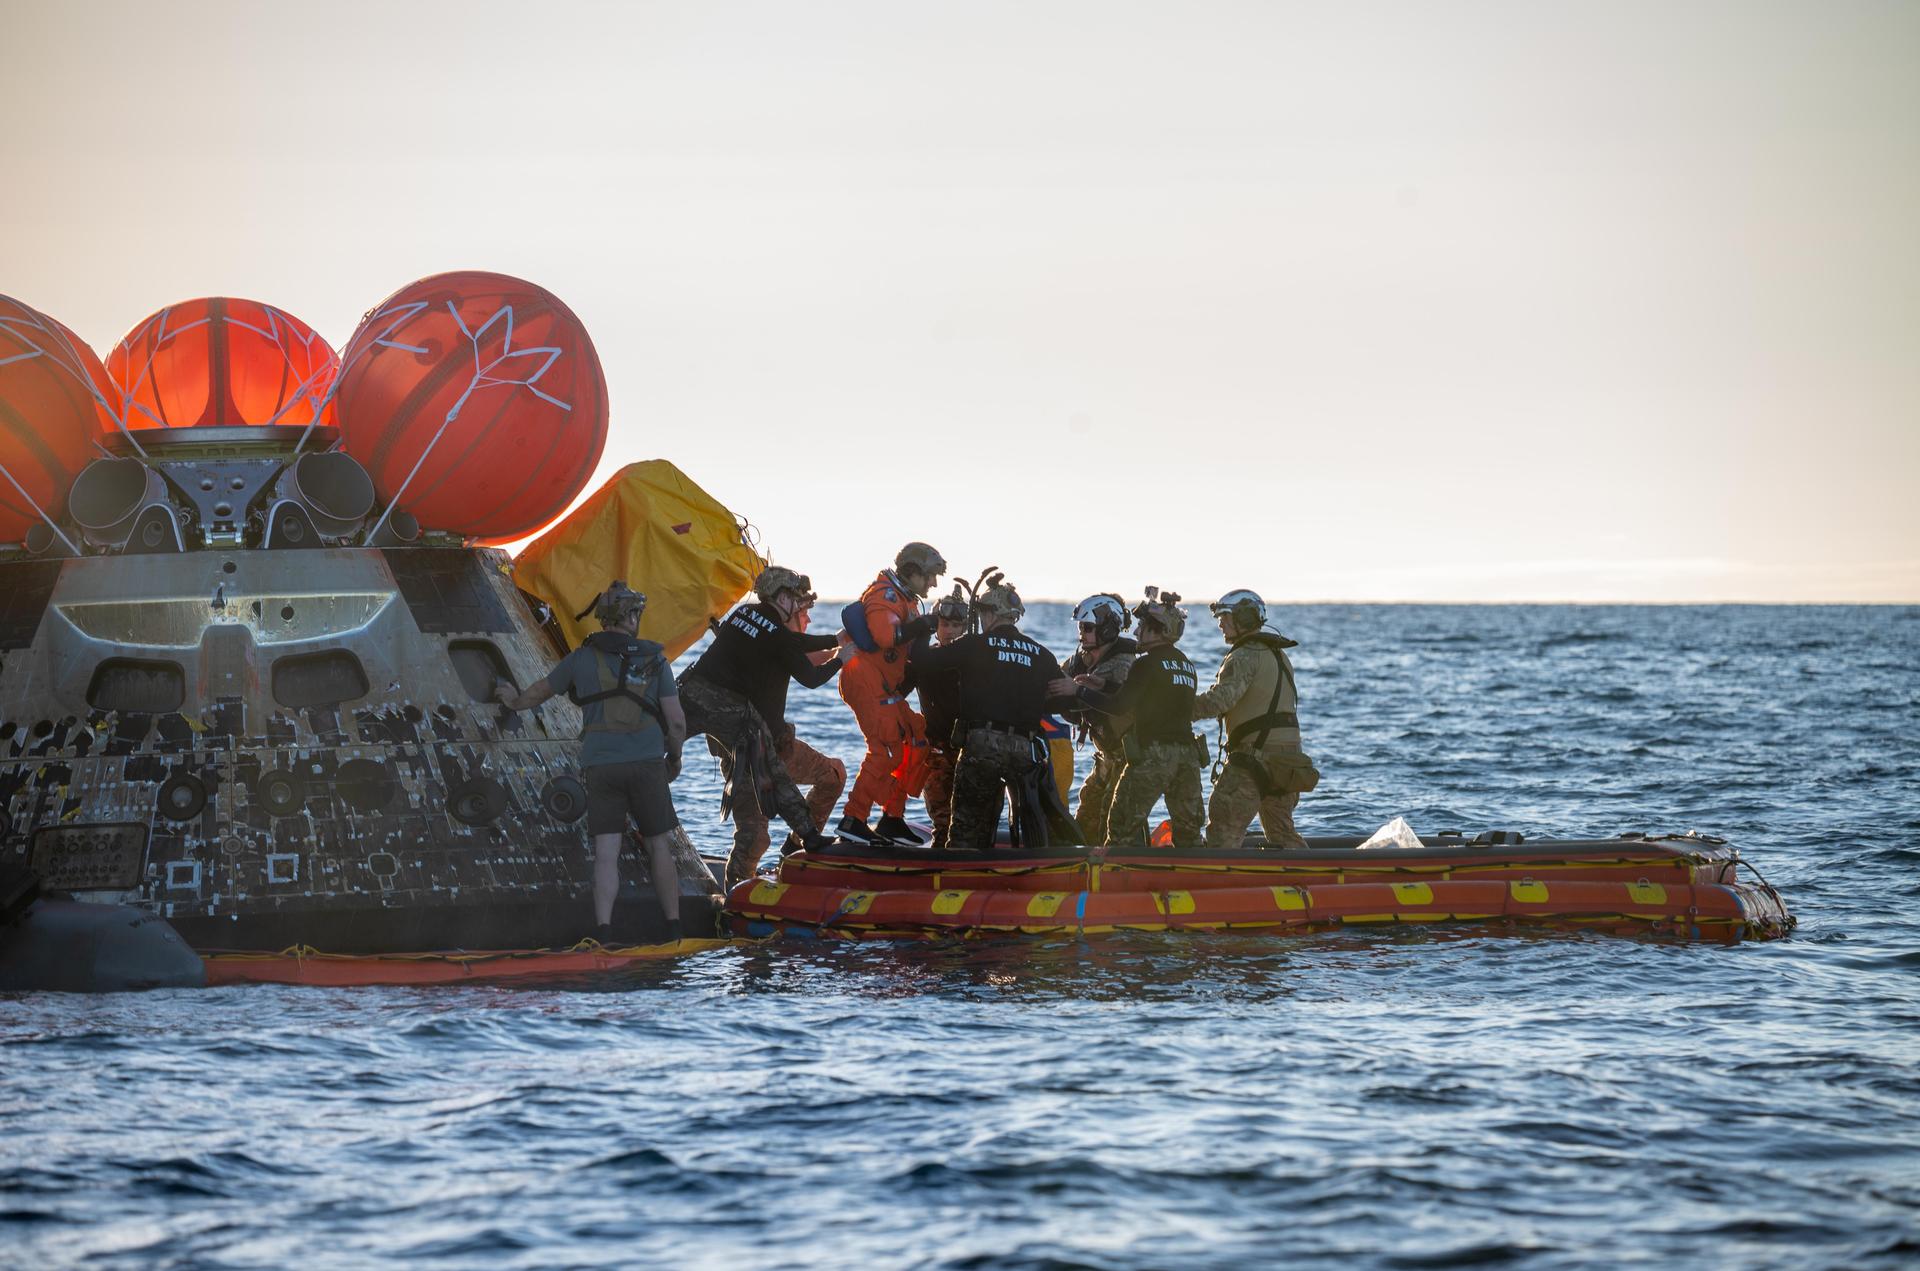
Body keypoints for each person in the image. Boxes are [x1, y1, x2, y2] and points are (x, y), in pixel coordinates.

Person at [497, 581, 687, 941]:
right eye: (636, 614)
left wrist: (513, 701)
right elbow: (676, 722)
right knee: (658, 844)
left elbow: (540, 691)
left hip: (600, 766)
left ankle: (603, 931)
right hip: (647, 764)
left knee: (606, 850)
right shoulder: (655, 660)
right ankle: (675, 928)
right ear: (629, 617)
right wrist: (673, 757)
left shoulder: (580, 659)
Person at [679, 565, 844, 885]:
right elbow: (807, 670)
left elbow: (800, 650)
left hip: (693, 694)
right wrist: (842, 653)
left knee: (757, 831)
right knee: (766, 796)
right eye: (799, 604)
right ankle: (806, 838)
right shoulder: (777, 635)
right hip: (742, 733)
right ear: (782, 597)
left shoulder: (746, 617)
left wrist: (836, 644)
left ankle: (786, 856)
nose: (804, 612)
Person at [910, 582, 1074, 851]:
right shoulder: (1042, 654)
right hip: (1025, 754)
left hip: (981, 749)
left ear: (991, 614)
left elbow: (924, 661)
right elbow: (1064, 700)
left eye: (983, 613)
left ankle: (959, 882)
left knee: (967, 830)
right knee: (1021, 822)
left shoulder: (975, 644)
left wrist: (922, 630)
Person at [1051, 587, 1204, 849]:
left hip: (1152, 755)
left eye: (1142, 627)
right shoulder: (1185, 664)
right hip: (1187, 754)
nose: (1134, 632)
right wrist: (1102, 685)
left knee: (1121, 827)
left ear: (1158, 631)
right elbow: (1153, 700)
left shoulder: (1144, 664)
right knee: (1188, 831)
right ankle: (1194, 879)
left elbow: (1120, 706)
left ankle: (1121, 880)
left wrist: (1080, 690)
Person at [1193, 589, 1320, 849]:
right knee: (1283, 834)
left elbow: (1220, 701)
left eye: (1225, 617)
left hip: (1252, 761)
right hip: (1288, 762)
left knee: (1222, 835)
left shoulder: (1244, 655)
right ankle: (1310, 882)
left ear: (1246, 619)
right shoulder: (1280, 655)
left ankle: (1218, 885)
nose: (1220, 623)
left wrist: (1176, 707)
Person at [837, 542, 945, 845]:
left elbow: (910, 649)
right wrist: (922, 626)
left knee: (916, 737)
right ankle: (853, 819)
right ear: (912, 572)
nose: (933, 583)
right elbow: (887, 637)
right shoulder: (884, 595)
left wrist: (925, 630)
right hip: (866, 681)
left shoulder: (906, 600)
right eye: (930, 577)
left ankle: (892, 819)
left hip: (885, 686)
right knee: (885, 750)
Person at [1058, 592, 1138, 845]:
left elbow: (1115, 702)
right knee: (1087, 810)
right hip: (1106, 756)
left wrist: (1079, 690)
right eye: (1081, 627)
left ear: (1107, 628)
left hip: (1129, 758)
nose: (1082, 633)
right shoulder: (1081, 660)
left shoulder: (1123, 663)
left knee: (1113, 817)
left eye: (1088, 627)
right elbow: (1056, 678)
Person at [901, 586, 970, 848]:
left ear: (965, 628)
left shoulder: (973, 659)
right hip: (937, 747)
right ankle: (941, 855)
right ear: (935, 625)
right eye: (944, 624)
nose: (950, 630)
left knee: (970, 813)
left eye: (956, 625)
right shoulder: (924, 660)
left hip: (970, 747)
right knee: (942, 815)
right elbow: (895, 694)